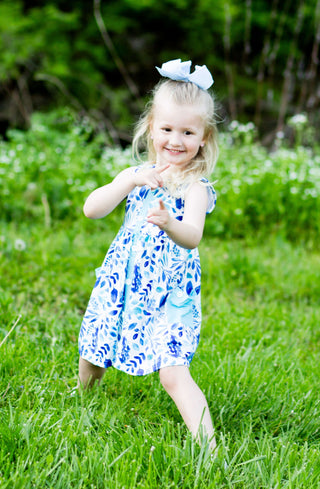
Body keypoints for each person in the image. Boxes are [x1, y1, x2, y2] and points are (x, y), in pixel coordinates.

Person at [78, 59, 219, 451]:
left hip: (171, 292)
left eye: (188, 132)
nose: (176, 140)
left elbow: (192, 236)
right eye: (167, 129)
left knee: (173, 372)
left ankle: (209, 449)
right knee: (94, 346)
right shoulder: (136, 174)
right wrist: (128, 182)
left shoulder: (197, 188)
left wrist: (169, 223)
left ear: (203, 137)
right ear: (151, 128)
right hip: (122, 282)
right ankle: (82, 402)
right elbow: (92, 209)